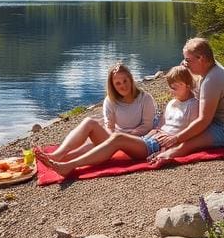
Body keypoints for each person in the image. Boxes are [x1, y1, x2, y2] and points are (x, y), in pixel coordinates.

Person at [36, 64, 196, 177]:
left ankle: (68, 164)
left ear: (131, 80)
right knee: (90, 122)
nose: (122, 85)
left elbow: (189, 130)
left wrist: (168, 150)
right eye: (118, 83)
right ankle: (59, 155)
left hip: (143, 141)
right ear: (112, 85)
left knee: (114, 139)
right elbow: (159, 125)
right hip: (142, 139)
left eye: (125, 81)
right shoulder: (170, 104)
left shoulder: (146, 99)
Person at [150, 37, 224, 160]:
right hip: (219, 123)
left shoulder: (213, 79)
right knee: (184, 131)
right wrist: (187, 68)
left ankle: (168, 154)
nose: (185, 63)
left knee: (186, 141)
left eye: (187, 60)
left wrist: (175, 138)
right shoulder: (210, 68)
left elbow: (204, 121)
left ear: (201, 58)